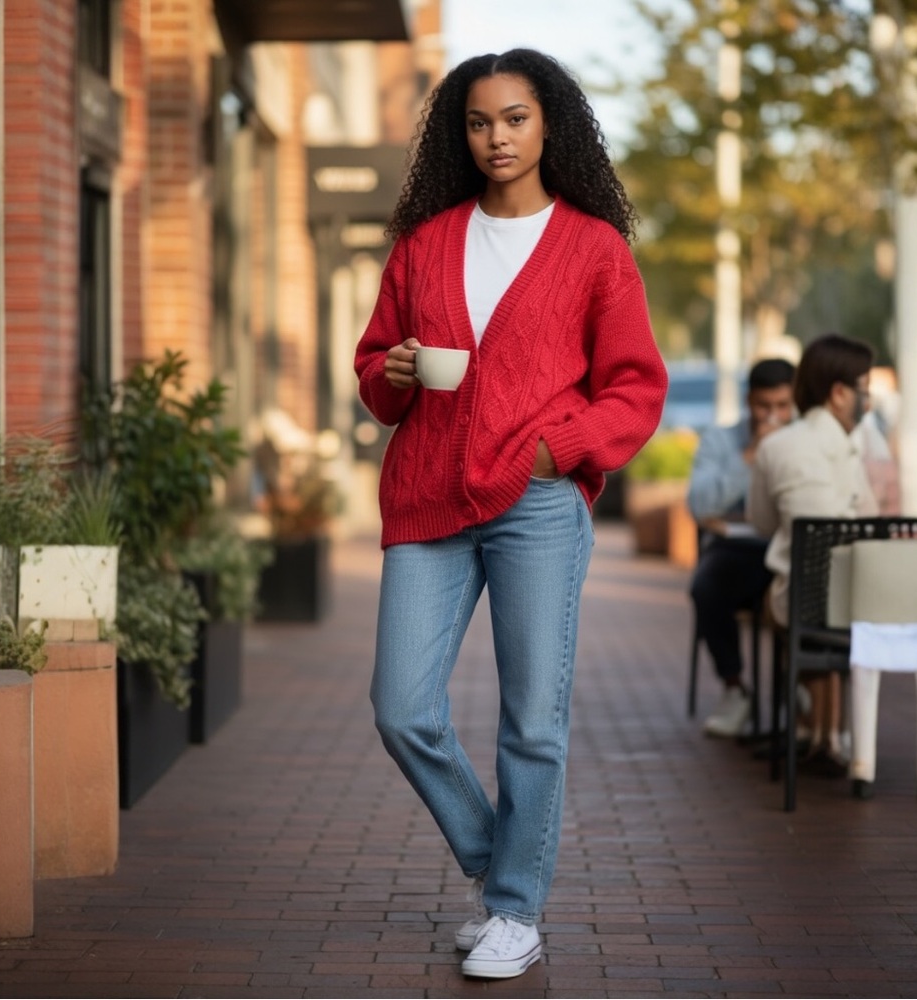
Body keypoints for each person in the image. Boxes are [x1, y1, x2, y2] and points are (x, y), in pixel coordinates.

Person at [353, 49, 667, 981]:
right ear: (463, 133)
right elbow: (376, 373)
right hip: (428, 498)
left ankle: (516, 913)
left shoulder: (594, 250)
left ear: (549, 126)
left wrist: (556, 451)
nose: (497, 137)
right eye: (481, 121)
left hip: (535, 503)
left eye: (516, 118)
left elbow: (634, 388)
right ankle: (503, 864)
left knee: (533, 719)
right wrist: (393, 373)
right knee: (401, 707)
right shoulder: (424, 244)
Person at [748, 333, 879, 776]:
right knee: (830, 602)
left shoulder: (775, 446)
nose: (870, 400)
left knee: (782, 602)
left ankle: (809, 728)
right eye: (866, 388)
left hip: (799, 604)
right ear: (840, 393)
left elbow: (763, 523)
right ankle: (830, 735)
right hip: (859, 604)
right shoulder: (856, 448)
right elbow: (873, 524)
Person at [687, 358, 796, 738]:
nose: (774, 416)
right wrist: (749, 456)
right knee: (706, 587)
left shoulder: (804, 440)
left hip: (790, 549)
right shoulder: (722, 439)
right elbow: (699, 504)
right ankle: (735, 690)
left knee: (816, 585)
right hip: (739, 550)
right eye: (765, 406)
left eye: (783, 406)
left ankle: (797, 693)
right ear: (750, 401)